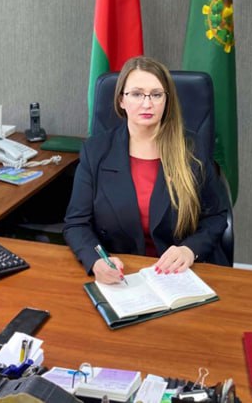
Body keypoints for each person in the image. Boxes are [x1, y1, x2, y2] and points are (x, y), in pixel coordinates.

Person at [63, 56, 229, 284]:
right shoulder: (95, 151)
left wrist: (190, 250)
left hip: (180, 273)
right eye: (137, 94)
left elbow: (216, 215)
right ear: (121, 100)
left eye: (156, 95)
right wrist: (96, 260)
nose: (147, 104)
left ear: (167, 100)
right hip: (123, 274)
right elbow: (76, 223)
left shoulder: (191, 149)